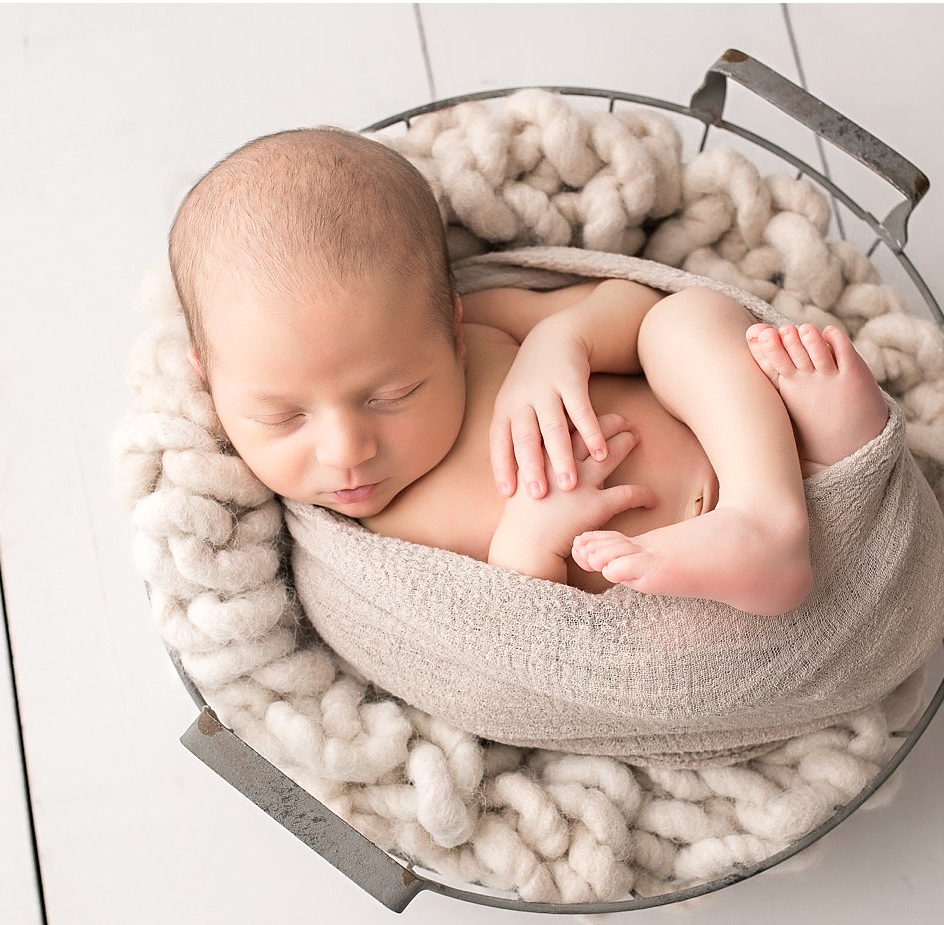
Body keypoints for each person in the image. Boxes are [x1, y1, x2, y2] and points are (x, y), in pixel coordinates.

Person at [169, 127, 890, 616]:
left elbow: (630, 305)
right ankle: (819, 481)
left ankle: (801, 482)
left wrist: (560, 341)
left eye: (393, 394)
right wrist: (526, 544)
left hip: (752, 458)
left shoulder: (485, 324)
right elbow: (489, 638)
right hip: (677, 602)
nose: (345, 449)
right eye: (284, 417)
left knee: (688, 318)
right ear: (210, 381)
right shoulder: (366, 550)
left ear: (448, 327)